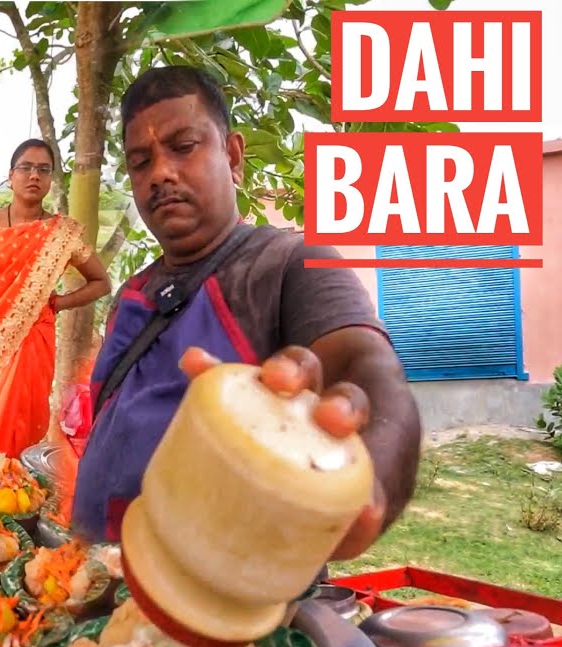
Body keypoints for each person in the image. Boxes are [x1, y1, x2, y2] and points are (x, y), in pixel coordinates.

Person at [70, 65, 422, 563]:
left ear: (232, 157)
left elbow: (369, 372)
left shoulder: (290, 262)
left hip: (222, 604)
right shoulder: (133, 293)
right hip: (94, 583)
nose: (161, 173)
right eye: (141, 161)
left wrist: (372, 487)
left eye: (183, 146)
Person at [0, 138, 110, 460]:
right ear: (11, 176)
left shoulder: (62, 234)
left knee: (17, 434)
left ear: (52, 179)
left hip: (31, 346)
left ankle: (14, 498)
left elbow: (101, 283)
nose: (34, 175)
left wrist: (59, 302)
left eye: (43, 169)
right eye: (25, 167)